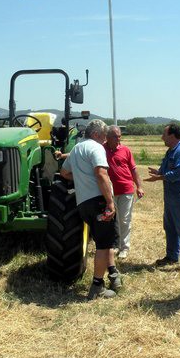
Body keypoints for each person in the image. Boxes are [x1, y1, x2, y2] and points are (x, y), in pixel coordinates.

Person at [60, 119, 120, 300]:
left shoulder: (76, 149)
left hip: (83, 204)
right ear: (95, 134)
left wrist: (81, 180)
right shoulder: (96, 148)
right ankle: (97, 287)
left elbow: (64, 173)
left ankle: (113, 274)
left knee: (105, 240)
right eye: (103, 136)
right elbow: (101, 174)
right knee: (103, 246)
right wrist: (110, 202)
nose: (105, 140)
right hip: (99, 202)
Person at [145, 123, 180, 269]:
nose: (162, 137)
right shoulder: (171, 151)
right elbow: (167, 170)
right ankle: (172, 256)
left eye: (164, 134)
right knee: (170, 226)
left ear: (173, 136)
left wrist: (160, 177)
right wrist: (158, 173)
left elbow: (178, 173)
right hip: (170, 194)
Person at [104, 125, 144, 259]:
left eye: (120, 136)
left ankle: (124, 248)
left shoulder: (125, 150)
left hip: (126, 189)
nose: (118, 139)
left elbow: (133, 170)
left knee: (124, 220)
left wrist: (139, 186)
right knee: (112, 220)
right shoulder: (101, 149)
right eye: (115, 137)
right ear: (107, 137)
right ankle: (116, 245)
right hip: (109, 191)